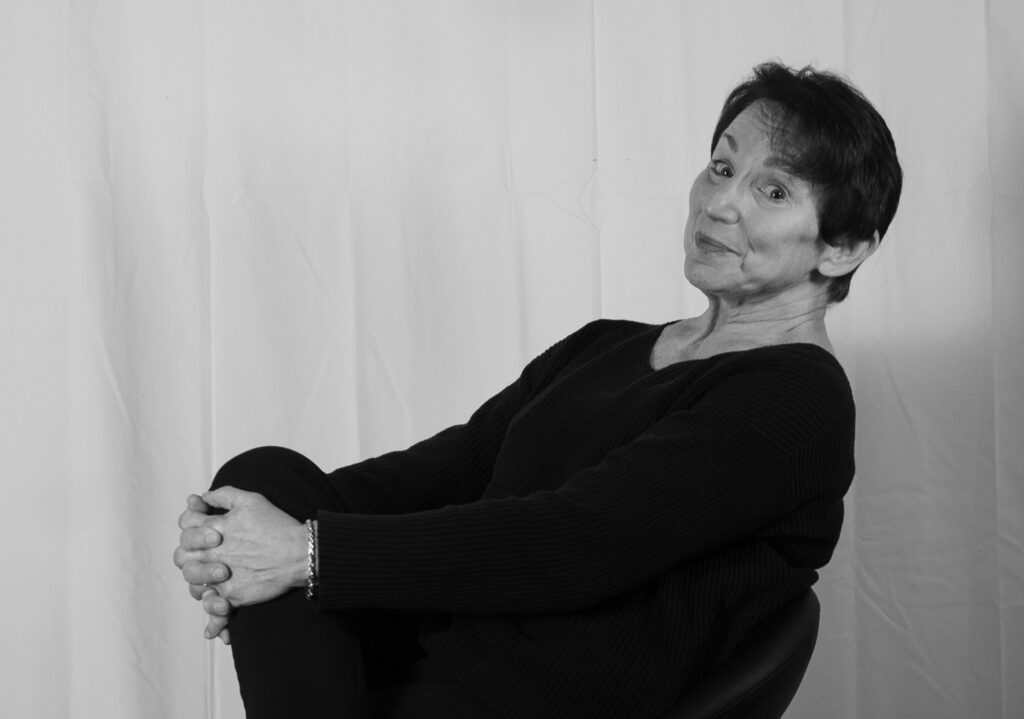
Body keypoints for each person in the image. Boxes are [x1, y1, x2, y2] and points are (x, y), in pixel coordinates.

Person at [174, 61, 902, 719]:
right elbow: (453, 469)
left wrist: (307, 555)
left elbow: (577, 538)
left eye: (773, 190)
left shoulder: (797, 399)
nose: (720, 204)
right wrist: (240, 536)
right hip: (427, 652)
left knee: (287, 546)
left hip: (528, 695)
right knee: (259, 479)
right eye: (721, 167)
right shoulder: (606, 345)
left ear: (843, 247)